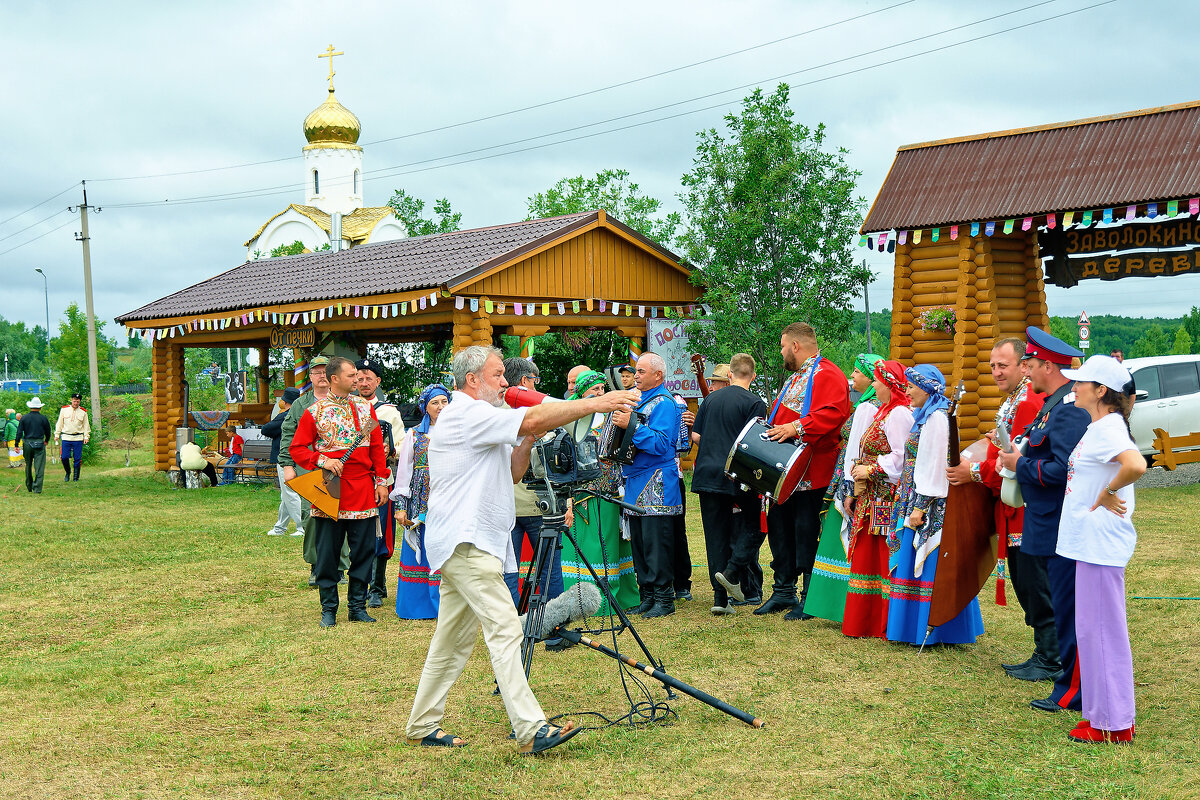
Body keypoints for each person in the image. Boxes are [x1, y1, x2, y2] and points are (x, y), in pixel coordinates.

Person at [405, 345, 637, 753]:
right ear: (472, 379)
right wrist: (597, 402)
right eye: (498, 375)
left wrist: (528, 438)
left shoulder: (479, 417)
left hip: (469, 542)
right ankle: (532, 729)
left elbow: (512, 471)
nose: (506, 383)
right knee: (507, 629)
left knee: (451, 643)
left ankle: (422, 724)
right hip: (468, 542)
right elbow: (531, 414)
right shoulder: (465, 411)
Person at [949, 338, 1055, 680]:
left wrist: (974, 471)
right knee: (1027, 582)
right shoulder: (1014, 400)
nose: (996, 372)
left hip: (1025, 508)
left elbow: (1013, 462)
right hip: (1015, 507)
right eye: (993, 366)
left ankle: (1052, 657)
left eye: (1003, 365)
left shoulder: (1027, 402)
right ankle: (1045, 651)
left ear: (1024, 366)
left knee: (1034, 582)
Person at [996, 328, 1090, 713]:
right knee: (1060, 605)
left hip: (1057, 524)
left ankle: (1070, 689)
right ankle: (1067, 683)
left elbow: (1067, 469)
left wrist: (1021, 464)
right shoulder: (1053, 404)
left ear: (1048, 365)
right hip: (1044, 521)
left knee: (1066, 608)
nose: (1027, 371)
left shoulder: (1066, 409)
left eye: (1030, 364)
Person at [1057, 355, 1144, 744]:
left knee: (1103, 631)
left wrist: (1108, 492)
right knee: (1093, 631)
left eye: (1081, 383)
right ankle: (1101, 714)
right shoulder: (1100, 425)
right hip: (1089, 543)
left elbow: (1136, 464)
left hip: (1100, 543)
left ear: (1100, 391)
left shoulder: (1108, 428)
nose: (1073, 387)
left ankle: (1114, 723)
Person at [756, 322, 852, 620]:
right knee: (780, 529)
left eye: (783, 346)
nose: (782, 352)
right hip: (786, 470)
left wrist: (795, 426)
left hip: (812, 471)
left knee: (806, 531)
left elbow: (834, 413)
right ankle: (783, 590)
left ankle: (809, 596)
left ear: (795, 346)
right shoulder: (797, 376)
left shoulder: (828, 373)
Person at [886, 364, 984, 645]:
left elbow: (934, 465)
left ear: (927, 388)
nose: (907, 391)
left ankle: (934, 629)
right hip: (915, 497)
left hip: (930, 504)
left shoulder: (937, 419)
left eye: (912, 386)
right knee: (915, 561)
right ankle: (912, 627)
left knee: (929, 562)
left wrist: (919, 507)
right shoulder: (925, 416)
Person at [289, 356, 389, 627]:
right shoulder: (315, 411)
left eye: (357, 375)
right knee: (328, 553)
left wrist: (381, 481)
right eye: (351, 375)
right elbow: (297, 448)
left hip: (362, 489)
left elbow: (377, 449)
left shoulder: (367, 408)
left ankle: (357, 607)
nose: (357, 379)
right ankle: (329, 609)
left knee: (364, 550)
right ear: (334, 379)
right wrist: (323, 460)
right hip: (330, 490)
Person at [802, 353, 882, 624]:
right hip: (846, 474)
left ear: (871, 376)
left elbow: (857, 448)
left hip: (850, 478)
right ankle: (832, 603)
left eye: (857, 372)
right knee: (837, 538)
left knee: (841, 537)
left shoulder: (868, 407)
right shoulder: (864, 403)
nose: (853, 377)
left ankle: (838, 604)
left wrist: (848, 487)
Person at [843, 361, 913, 638]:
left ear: (889, 384)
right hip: (871, 495)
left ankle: (881, 621)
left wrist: (871, 468)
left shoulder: (898, 414)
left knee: (882, 554)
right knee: (869, 553)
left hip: (886, 497)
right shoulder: (884, 412)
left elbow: (901, 456)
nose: (873, 385)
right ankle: (866, 619)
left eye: (876, 381)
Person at [611, 352, 685, 618]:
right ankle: (648, 596)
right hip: (635, 478)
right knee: (640, 543)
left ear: (658, 375)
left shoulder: (664, 403)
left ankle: (664, 599)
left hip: (656, 480)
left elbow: (663, 444)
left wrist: (631, 425)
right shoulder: (640, 399)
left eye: (642, 371)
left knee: (656, 542)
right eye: (637, 371)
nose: (636, 376)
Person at [562, 370, 641, 615]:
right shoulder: (569, 415)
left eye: (602, 389)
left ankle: (614, 599)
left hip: (609, 491)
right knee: (585, 546)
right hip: (580, 493)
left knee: (609, 546)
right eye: (594, 390)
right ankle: (582, 600)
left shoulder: (611, 415)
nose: (599, 393)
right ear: (581, 392)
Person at [695, 353, 768, 615]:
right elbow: (755, 443)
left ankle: (720, 600)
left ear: (730, 374)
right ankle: (732, 571)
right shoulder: (755, 402)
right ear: (754, 375)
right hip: (735, 474)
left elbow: (697, 435)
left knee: (715, 535)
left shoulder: (711, 399)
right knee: (756, 526)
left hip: (706, 473)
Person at [502, 358, 562, 624]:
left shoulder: (492, 411)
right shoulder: (535, 412)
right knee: (549, 570)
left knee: (507, 571)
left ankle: (509, 628)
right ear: (526, 381)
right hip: (539, 504)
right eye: (535, 381)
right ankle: (554, 626)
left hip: (504, 505)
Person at [280, 357, 349, 586]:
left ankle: (339, 567)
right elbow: (288, 434)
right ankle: (316, 566)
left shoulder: (344, 401)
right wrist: (288, 466)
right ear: (310, 377)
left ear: (332, 376)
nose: (321, 376)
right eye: (316, 372)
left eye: (324, 371)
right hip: (308, 467)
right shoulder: (301, 405)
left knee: (340, 514)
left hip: (340, 468)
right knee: (311, 517)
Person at [390, 384, 450, 620]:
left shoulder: (456, 432)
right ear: (425, 407)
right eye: (435, 403)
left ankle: (447, 606)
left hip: (448, 498)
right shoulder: (414, 434)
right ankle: (418, 606)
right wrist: (401, 507)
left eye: (444, 402)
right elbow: (404, 472)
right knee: (423, 548)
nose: (440, 407)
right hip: (421, 500)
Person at [357, 358, 406, 609]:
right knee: (359, 533)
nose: (364, 383)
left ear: (378, 382)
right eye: (360, 378)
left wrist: (389, 450)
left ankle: (376, 586)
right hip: (354, 481)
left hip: (382, 480)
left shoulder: (387, 412)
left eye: (369, 378)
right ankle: (362, 584)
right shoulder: (348, 408)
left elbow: (400, 446)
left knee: (382, 534)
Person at [263, 387, 304, 537]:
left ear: (284, 401)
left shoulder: (285, 415)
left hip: (284, 457)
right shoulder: (301, 413)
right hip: (297, 457)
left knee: (289, 493)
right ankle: (280, 527)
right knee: (286, 495)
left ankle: (303, 526)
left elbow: (266, 429)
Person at [15, 397, 52, 494]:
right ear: (40, 408)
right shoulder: (43, 418)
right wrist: (46, 440)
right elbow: (48, 431)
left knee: (28, 465)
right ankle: (37, 488)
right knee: (39, 467)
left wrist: (16, 444)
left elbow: (19, 432)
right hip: (39, 443)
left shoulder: (24, 418)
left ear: (30, 407)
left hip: (27, 443)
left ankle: (29, 485)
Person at [54, 393, 90, 482]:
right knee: (64, 457)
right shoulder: (64, 410)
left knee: (77, 458)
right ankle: (68, 472)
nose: (76, 403)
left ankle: (75, 477)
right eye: (74, 401)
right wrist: (57, 434)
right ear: (71, 400)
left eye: (77, 401)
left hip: (78, 437)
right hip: (66, 437)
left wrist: (86, 436)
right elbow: (60, 423)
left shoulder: (83, 412)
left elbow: (86, 425)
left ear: (80, 402)